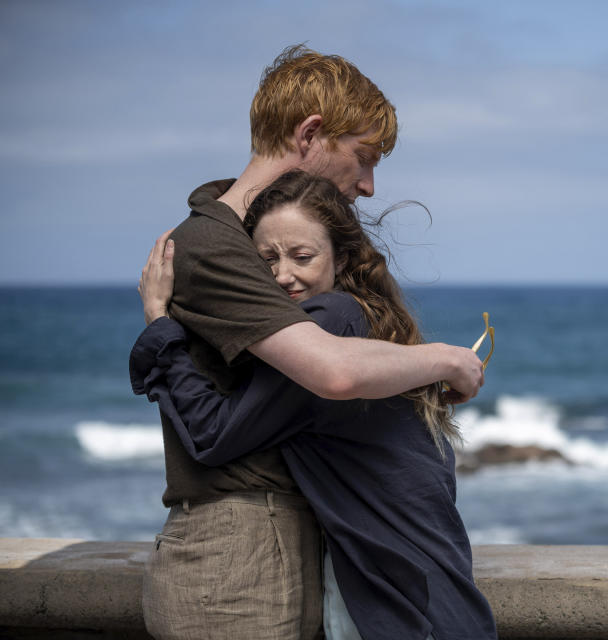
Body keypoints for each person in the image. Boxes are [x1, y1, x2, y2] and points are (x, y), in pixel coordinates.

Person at [138, 45, 484, 640]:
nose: (370, 185)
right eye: (363, 157)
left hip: (287, 537)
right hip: (237, 550)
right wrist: (447, 359)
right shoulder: (215, 246)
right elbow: (331, 372)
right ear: (311, 133)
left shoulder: (252, 235)